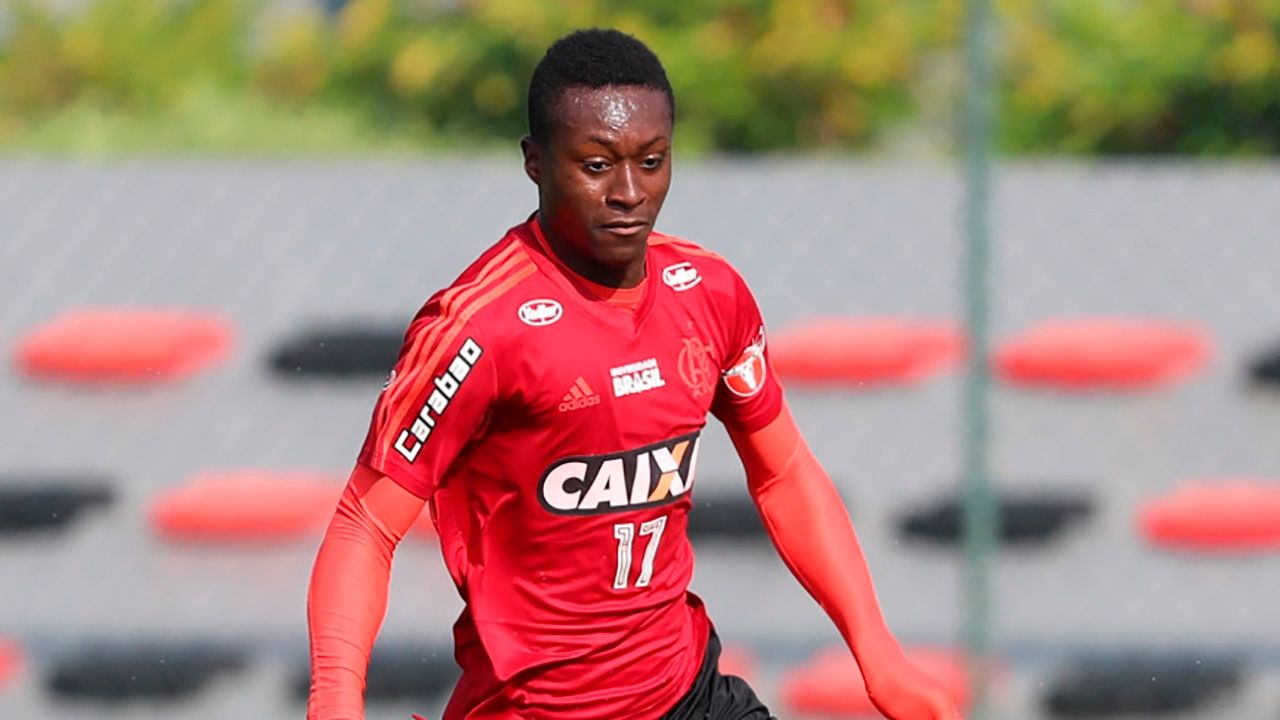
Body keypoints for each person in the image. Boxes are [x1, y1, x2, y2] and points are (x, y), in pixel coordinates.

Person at [307, 28, 963, 720]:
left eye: (651, 161)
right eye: (596, 165)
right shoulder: (477, 329)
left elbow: (785, 473)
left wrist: (877, 653)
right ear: (535, 162)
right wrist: (335, 701)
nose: (629, 193)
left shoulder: (708, 293)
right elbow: (364, 526)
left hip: (689, 694)